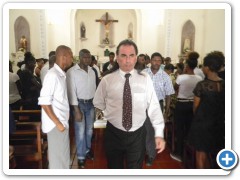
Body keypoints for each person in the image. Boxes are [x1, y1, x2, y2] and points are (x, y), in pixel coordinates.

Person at [93, 39, 166, 169]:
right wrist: (110, 113)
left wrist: (159, 133)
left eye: (131, 56)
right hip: (114, 133)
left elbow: (153, 106)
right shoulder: (107, 80)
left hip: (137, 134)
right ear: (117, 57)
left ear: (136, 58)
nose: (127, 60)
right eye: (123, 55)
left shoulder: (145, 79)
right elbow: (98, 102)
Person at [188, 52, 225, 168]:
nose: (202, 68)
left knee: (200, 155)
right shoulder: (225, 84)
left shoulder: (202, 85)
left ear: (208, 68)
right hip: (218, 124)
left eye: (203, 66)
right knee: (211, 153)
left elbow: (195, 107)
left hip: (202, 124)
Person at [38, 45, 73, 169]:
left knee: (63, 159)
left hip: (61, 123)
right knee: (58, 162)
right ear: (63, 57)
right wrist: (58, 123)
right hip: (56, 125)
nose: (72, 59)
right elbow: (44, 101)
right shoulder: (52, 75)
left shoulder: (60, 74)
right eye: (71, 56)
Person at [66, 49, 96, 168]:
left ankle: (87, 150)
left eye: (89, 57)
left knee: (89, 130)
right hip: (79, 104)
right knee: (80, 131)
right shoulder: (72, 72)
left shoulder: (92, 71)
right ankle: (80, 157)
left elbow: (94, 87)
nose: (88, 60)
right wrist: (76, 109)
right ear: (79, 57)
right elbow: (71, 91)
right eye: (85, 57)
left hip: (91, 104)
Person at [144, 52, 175, 166]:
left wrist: (166, 112)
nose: (156, 62)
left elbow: (168, 95)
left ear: (161, 62)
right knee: (143, 130)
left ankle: (151, 155)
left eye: (159, 60)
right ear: (150, 61)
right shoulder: (144, 73)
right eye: (154, 60)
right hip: (143, 105)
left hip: (157, 105)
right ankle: (144, 150)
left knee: (151, 131)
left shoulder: (165, 76)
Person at [170, 54, 202, 162]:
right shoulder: (199, 78)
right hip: (192, 104)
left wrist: (182, 74)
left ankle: (179, 153)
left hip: (181, 104)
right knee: (188, 128)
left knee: (180, 129)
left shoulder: (181, 77)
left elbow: (174, 88)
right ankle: (188, 152)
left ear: (187, 66)